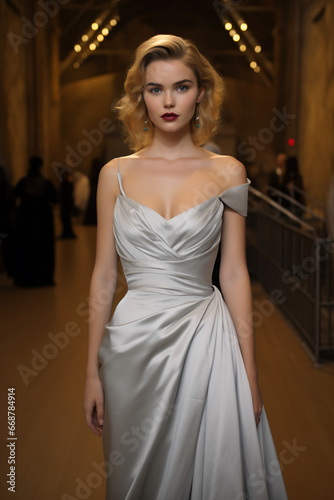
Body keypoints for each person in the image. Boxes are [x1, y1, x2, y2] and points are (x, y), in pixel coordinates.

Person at [83, 34, 288, 500]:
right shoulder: (113, 174)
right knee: (135, 479)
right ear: (141, 97)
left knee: (214, 475)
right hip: (131, 347)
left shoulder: (228, 171)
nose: (169, 100)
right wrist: (91, 372)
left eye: (182, 86)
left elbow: (234, 274)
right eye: (155, 89)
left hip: (208, 342)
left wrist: (250, 377)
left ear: (201, 93)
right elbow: (103, 276)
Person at [12, 156, 58, 286]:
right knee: (43, 250)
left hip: (25, 221)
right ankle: (42, 278)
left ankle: (25, 278)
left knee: (26, 249)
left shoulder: (23, 182)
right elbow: (54, 199)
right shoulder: (46, 183)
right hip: (43, 222)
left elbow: (13, 195)